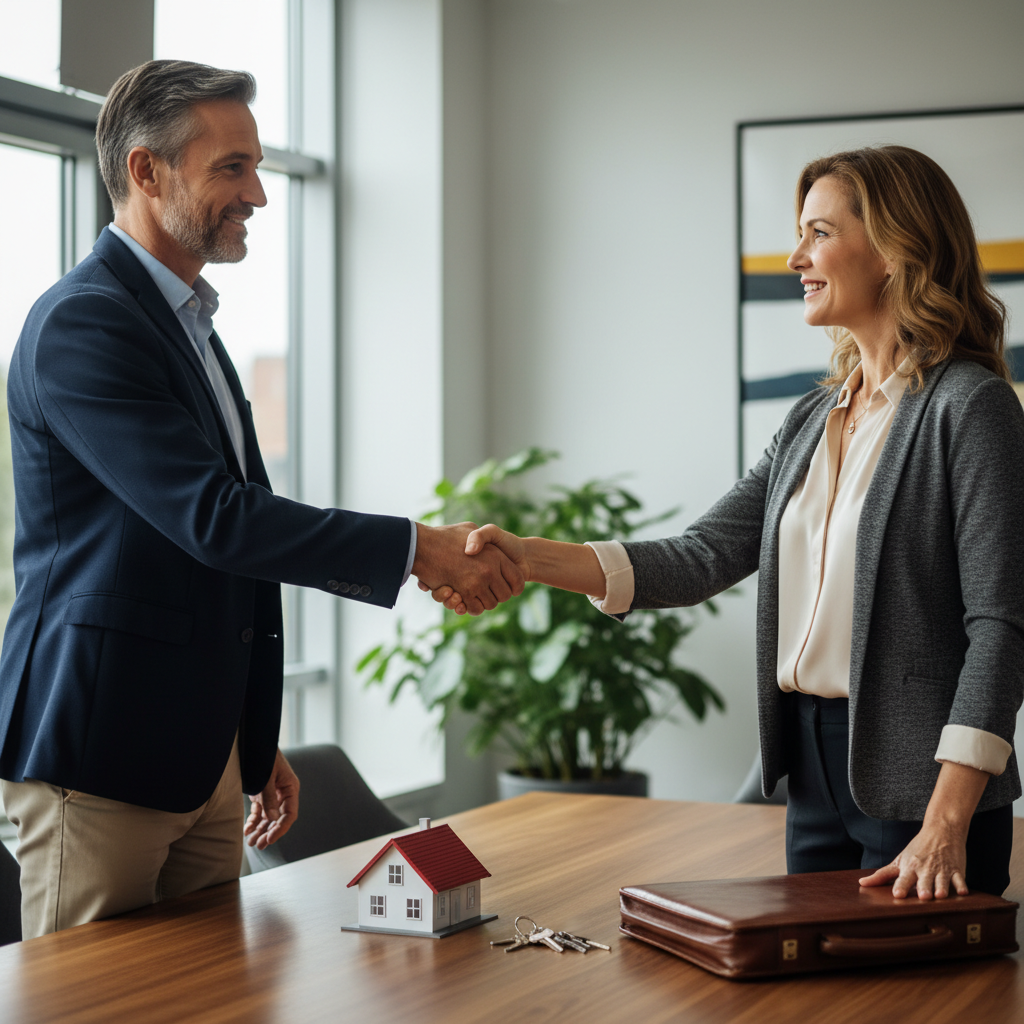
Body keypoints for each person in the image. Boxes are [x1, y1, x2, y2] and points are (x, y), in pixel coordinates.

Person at [0, 59, 522, 939]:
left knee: (209, 999)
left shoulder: (189, 324)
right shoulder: (83, 324)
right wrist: (418, 548)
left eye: (257, 166)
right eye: (230, 168)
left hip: (198, 758)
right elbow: (215, 520)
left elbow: (199, 555)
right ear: (145, 170)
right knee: (92, 1007)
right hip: (101, 759)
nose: (260, 195)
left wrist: (246, 733)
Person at [431, 145, 1023, 899]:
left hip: (923, 787)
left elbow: (1001, 628)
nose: (795, 256)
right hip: (809, 772)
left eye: (818, 233)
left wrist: (948, 822)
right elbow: (703, 554)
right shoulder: (814, 417)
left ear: (893, 249)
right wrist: (529, 557)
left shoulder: (970, 409)